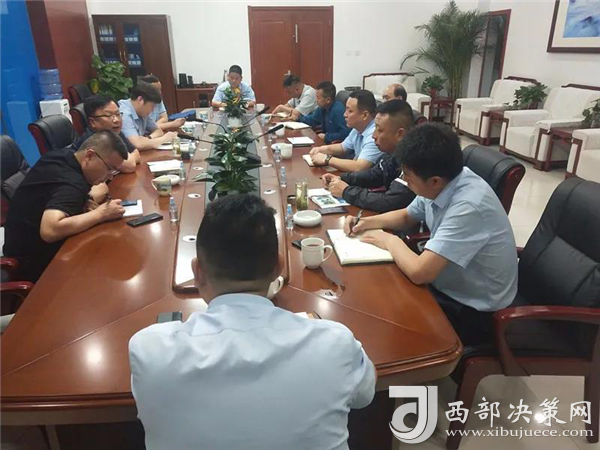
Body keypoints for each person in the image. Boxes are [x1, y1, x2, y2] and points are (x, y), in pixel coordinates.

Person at [129, 194, 376, 450]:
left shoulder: (150, 351)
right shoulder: (334, 343)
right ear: (278, 267)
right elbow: (365, 395)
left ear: (197, 272)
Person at [345, 123, 518, 345]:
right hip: (447, 283)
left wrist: (389, 240)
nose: (405, 181)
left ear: (435, 181)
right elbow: (407, 215)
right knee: (376, 295)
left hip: (473, 310)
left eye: (408, 177)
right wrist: (365, 222)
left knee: (383, 324)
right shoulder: (443, 181)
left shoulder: (469, 206)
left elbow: (420, 273)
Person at [3, 131, 128, 281]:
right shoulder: (72, 184)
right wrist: (101, 214)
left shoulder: (61, 156)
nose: (111, 176)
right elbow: (50, 230)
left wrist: (85, 199)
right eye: (109, 169)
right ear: (89, 156)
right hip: (34, 264)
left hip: (18, 244)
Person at [322, 99, 415, 212]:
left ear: (400, 134)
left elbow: (390, 202)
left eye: (380, 130)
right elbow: (373, 175)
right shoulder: (393, 153)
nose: (373, 136)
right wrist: (342, 178)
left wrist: (346, 191)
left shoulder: (413, 161)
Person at [309, 90, 383, 172]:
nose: (344, 114)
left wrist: (327, 159)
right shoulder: (358, 127)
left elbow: (359, 167)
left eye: (350, 111)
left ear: (365, 115)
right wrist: (322, 149)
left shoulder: (375, 135)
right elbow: (343, 147)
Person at [72, 94, 140, 173]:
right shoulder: (93, 142)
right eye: (109, 115)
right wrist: (130, 160)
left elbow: (136, 154)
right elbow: (130, 166)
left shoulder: (113, 132)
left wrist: (130, 160)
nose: (116, 120)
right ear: (92, 122)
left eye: (118, 114)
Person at [119, 83, 177, 151]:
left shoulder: (142, 112)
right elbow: (137, 145)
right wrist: (164, 139)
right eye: (152, 106)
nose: (152, 110)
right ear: (140, 99)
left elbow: (158, 131)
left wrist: (149, 138)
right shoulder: (124, 114)